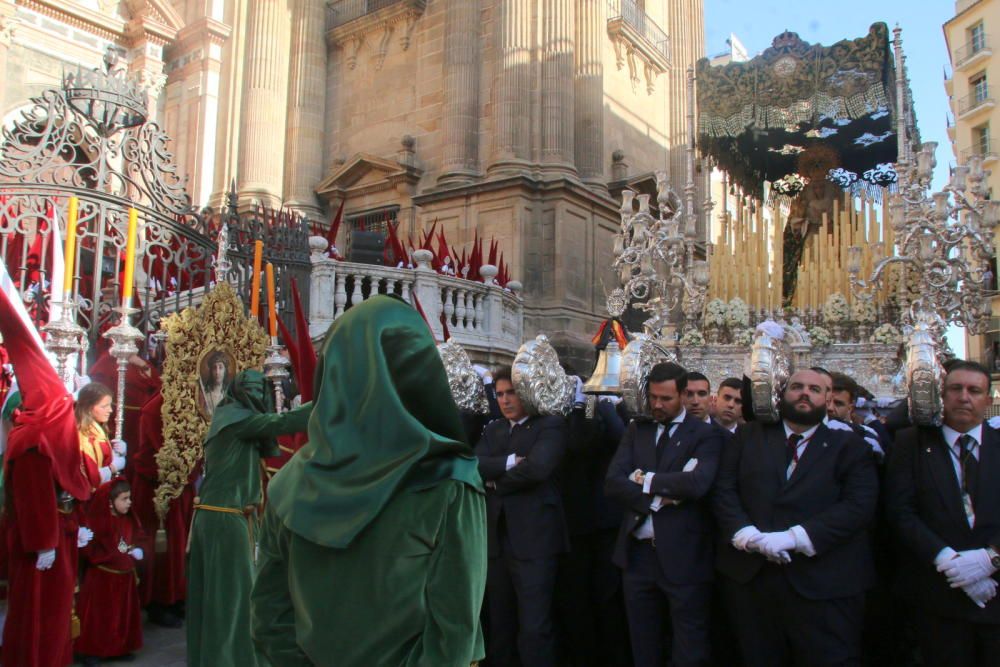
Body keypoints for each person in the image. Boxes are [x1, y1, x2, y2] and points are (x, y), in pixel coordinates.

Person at [252, 295, 487, 666]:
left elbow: (268, 618)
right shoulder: (449, 482)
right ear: (420, 371)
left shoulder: (289, 483)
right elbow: (454, 634)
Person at [713, 368, 879, 667]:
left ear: (828, 398)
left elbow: (859, 505)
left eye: (815, 389)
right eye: (797, 386)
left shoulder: (850, 445)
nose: (805, 393)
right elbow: (724, 487)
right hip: (753, 580)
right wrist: (746, 534)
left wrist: (794, 538)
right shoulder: (749, 435)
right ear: (782, 393)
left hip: (824, 584)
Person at [186, 370, 311, 667]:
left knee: (229, 594)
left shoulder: (232, 416)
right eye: (251, 390)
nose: (256, 396)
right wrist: (326, 401)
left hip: (225, 517)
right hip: (223, 519)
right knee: (234, 597)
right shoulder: (236, 420)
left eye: (260, 390)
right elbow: (281, 422)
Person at [605, 362, 724, 667]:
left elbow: (697, 484)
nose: (657, 404)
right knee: (643, 644)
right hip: (638, 556)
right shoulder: (638, 429)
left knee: (689, 646)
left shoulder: (705, 434)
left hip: (686, 557)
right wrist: (661, 498)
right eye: (653, 397)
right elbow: (614, 482)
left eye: (666, 398)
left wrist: (645, 479)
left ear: (684, 395)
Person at [0, 285, 92, 666]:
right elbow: (34, 497)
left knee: (53, 615)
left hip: (57, 534)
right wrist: (44, 543)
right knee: (40, 614)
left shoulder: (39, 434)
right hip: (42, 543)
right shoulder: (34, 441)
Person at [885, 360, 1000, 666]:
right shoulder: (911, 442)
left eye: (974, 391)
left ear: (988, 400)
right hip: (936, 596)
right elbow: (900, 511)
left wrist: (990, 559)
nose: (964, 397)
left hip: (997, 589)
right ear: (941, 394)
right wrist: (948, 561)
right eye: (955, 389)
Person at [476, 365, 569, 667]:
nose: (504, 400)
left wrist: (495, 480)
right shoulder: (494, 429)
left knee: (534, 626)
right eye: (499, 394)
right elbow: (473, 464)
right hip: (497, 544)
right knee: (500, 624)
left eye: (511, 393)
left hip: (535, 543)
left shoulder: (550, 425)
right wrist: (510, 462)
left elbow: (538, 469)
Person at [75, 479, 144, 666]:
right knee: (101, 618)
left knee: (121, 617)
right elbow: (90, 552)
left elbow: (132, 540)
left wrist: (134, 550)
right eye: (124, 499)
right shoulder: (100, 524)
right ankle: (93, 650)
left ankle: (118, 648)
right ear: (110, 502)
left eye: (130, 498)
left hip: (125, 577)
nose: (129, 502)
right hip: (103, 579)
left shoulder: (128, 521)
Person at [76, 382, 126, 493]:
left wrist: (116, 452)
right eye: (104, 406)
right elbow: (91, 479)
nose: (110, 410)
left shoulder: (97, 429)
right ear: (89, 408)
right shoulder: (84, 437)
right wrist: (113, 467)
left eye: (110, 405)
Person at [198, 351, 229, 417]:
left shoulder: (229, 395)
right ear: (211, 371)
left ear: (225, 371)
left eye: (220, 367)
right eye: (214, 368)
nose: (217, 372)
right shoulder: (204, 395)